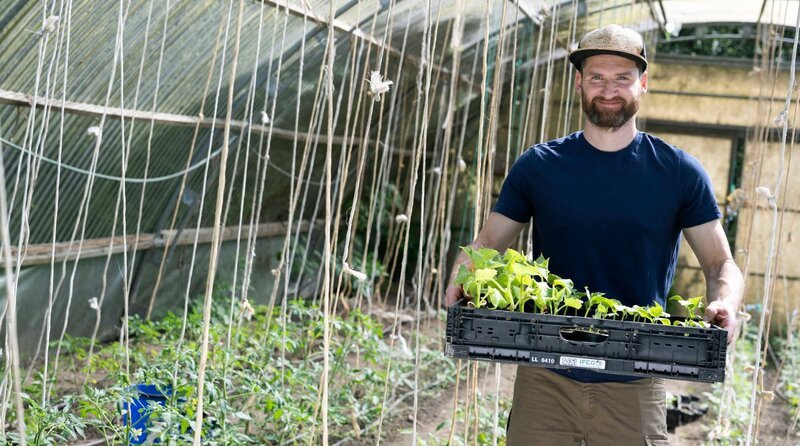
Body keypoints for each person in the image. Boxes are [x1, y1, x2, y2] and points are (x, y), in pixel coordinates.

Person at [444, 24, 744, 446]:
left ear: (643, 83)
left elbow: (719, 263)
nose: (609, 89)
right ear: (579, 83)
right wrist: (462, 273)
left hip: (636, 379)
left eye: (622, 77)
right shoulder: (539, 166)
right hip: (545, 375)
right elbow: (489, 243)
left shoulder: (678, 173)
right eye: (597, 77)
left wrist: (725, 301)